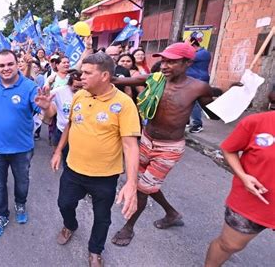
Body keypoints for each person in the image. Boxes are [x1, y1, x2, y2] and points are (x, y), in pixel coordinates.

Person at [110, 42, 220, 246]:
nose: (164, 66)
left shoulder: (198, 87)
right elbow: (119, 79)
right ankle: (172, 213)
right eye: (163, 61)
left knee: (142, 188)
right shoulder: (155, 79)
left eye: (172, 62)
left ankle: (128, 228)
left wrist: (231, 97)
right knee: (147, 183)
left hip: (169, 148)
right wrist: (95, 74)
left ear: (187, 63)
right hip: (146, 140)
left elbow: (213, 113)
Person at [36, 52, 140, 267]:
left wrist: (131, 183)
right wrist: (57, 151)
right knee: (64, 204)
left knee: (102, 217)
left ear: (104, 76)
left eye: (86, 72)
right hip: (73, 169)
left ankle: (95, 251)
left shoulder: (124, 104)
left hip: (105, 176)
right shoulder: (80, 96)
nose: (80, 76)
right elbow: (70, 126)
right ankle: (70, 225)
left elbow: (130, 146)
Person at [204, 111, 274, 267]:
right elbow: (229, 149)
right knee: (229, 245)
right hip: (252, 202)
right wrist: (243, 176)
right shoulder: (257, 122)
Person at [0, 49, 40, 238]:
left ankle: (20, 203)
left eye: (10, 64)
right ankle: (2, 215)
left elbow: (47, 113)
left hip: (22, 149)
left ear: (18, 64)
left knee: (22, 181)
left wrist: (48, 107)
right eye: (1, 65)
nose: (6, 68)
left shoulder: (30, 87)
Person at [45, 70, 83, 167]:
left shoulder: (87, 93)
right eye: (75, 87)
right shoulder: (59, 92)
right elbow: (48, 104)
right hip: (61, 131)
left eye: (80, 87)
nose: (78, 89)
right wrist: (45, 103)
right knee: (64, 161)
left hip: (80, 133)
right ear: (70, 84)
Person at [186, 33, 211, 133]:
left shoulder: (202, 53)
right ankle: (187, 121)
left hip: (198, 80)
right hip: (191, 80)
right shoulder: (196, 53)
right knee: (187, 102)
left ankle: (197, 124)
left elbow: (185, 58)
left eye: (187, 42)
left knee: (195, 102)